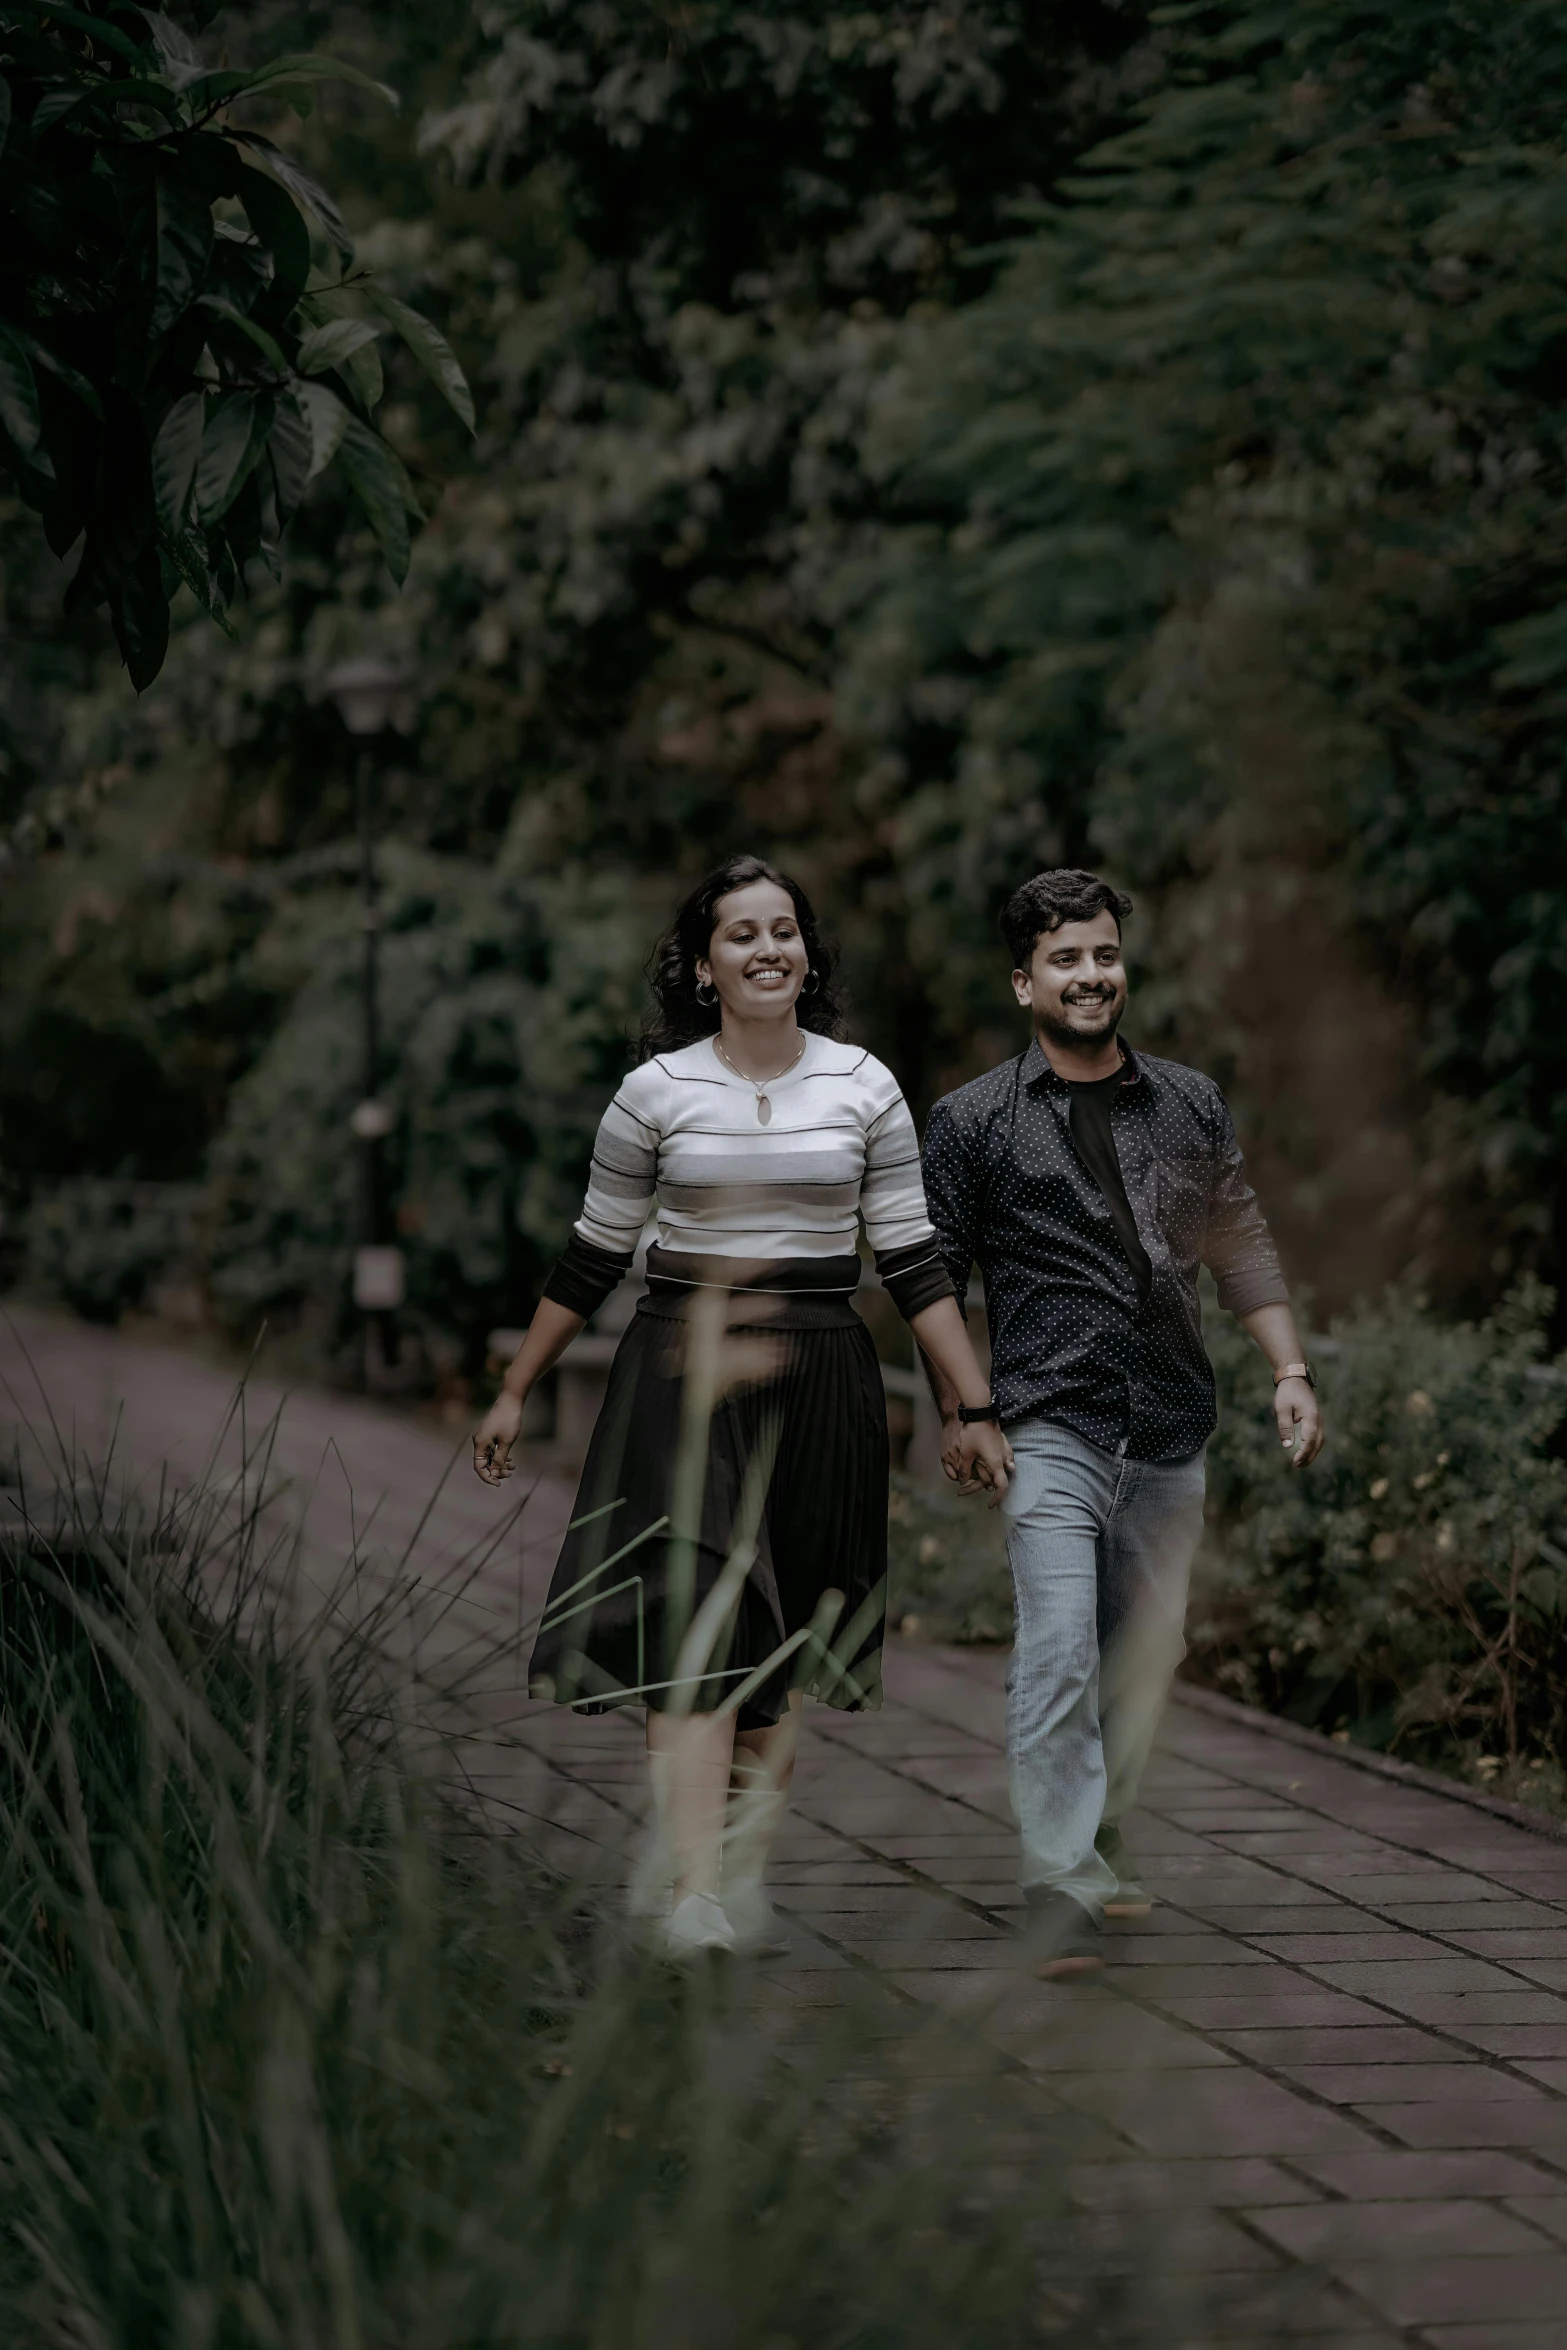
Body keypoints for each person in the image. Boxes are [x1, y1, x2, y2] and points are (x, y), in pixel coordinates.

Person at [472, 855, 1009, 1959]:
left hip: (822, 1369)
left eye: (785, 930)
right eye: (741, 934)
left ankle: (736, 1863)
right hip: (682, 1365)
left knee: (781, 1650)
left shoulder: (863, 1084)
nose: (767, 949)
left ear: (807, 955)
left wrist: (971, 1404)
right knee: (695, 1617)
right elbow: (591, 1254)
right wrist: (517, 1385)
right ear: (705, 965)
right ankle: (691, 1886)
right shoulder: (656, 1092)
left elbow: (911, 1263)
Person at [920, 868, 1324, 1977]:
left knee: (1141, 1655)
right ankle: (1056, 1885)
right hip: (1049, 1420)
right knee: (1056, 1644)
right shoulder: (972, 1122)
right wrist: (963, 1409)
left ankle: (1097, 1834)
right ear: (1023, 981)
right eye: (1065, 958)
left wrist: (1286, 1367)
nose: (1090, 974)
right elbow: (931, 1278)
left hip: (1170, 1421)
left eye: (1103, 954)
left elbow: (1237, 1239)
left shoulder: (1187, 1101)